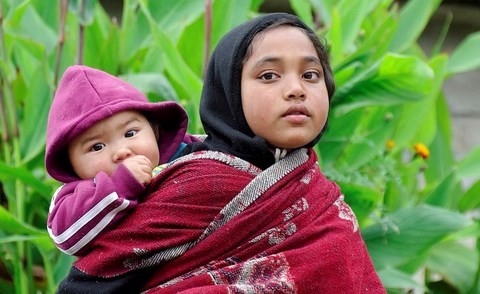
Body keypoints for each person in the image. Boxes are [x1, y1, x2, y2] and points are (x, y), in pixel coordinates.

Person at [57, 13, 386, 293]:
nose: (296, 89)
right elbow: (93, 280)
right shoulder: (196, 185)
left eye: (310, 75)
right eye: (269, 75)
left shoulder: (315, 192)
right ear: (228, 90)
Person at [45, 65, 197, 256]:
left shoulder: (188, 151)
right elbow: (65, 237)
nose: (122, 151)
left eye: (130, 133)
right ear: (69, 162)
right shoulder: (74, 197)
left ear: (155, 130)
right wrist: (120, 185)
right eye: (97, 147)